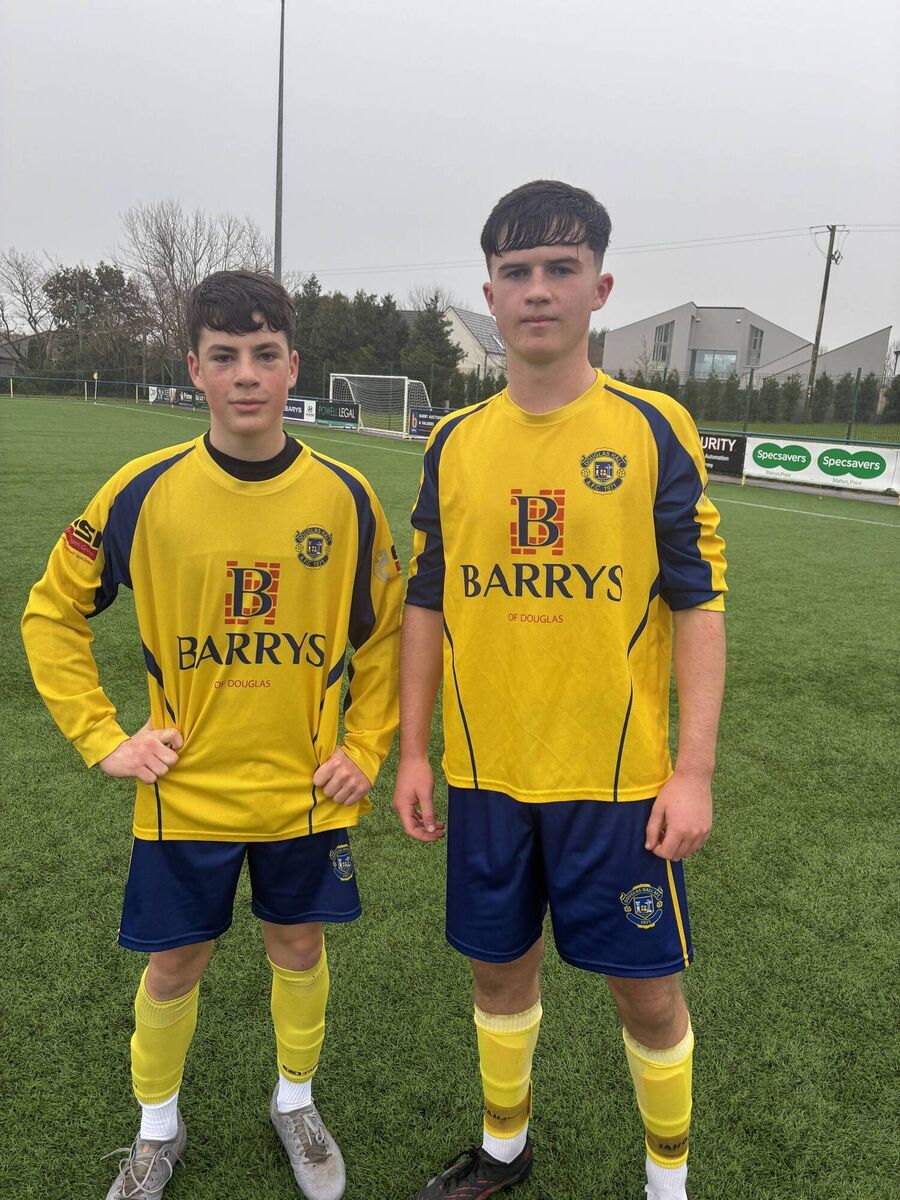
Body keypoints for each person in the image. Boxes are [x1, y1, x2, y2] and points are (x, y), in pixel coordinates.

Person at [21, 270, 402, 1200]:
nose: (246, 375)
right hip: (183, 793)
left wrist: (365, 746)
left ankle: (295, 1101)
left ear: (293, 366)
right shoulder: (142, 490)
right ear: (194, 368)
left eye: (264, 355)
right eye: (224, 356)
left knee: (299, 949)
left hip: (304, 792)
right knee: (174, 962)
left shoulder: (346, 496)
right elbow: (50, 613)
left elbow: (389, 633)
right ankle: (158, 1129)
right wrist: (104, 737)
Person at [393, 180, 727, 1200]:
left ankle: (667, 1180)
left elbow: (698, 605)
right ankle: (504, 1147)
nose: (537, 289)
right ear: (490, 293)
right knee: (498, 973)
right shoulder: (454, 441)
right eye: (517, 271)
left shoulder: (654, 428)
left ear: (600, 289)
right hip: (487, 773)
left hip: (617, 782)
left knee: (646, 994)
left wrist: (694, 771)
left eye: (560, 268)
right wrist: (413, 752)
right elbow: (426, 602)